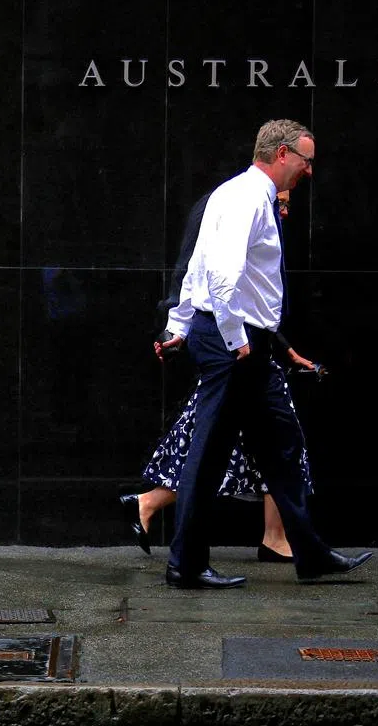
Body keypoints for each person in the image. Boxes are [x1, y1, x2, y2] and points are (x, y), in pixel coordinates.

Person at [153, 119, 372, 588]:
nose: (308, 171)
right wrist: (235, 341)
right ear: (280, 155)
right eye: (305, 160)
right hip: (234, 345)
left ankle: (308, 553)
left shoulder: (236, 195)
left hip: (243, 342)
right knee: (208, 454)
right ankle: (185, 566)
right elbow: (220, 277)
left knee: (283, 444)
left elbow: (197, 266)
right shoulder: (247, 199)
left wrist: (179, 325)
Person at [122, 191, 320, 563]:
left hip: (247, 344)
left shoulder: (258, 222)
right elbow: (199, 276)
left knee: (256, 443)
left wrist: (281, 345)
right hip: (230, 346)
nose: (286, 208)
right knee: (219, 445)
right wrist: (181, 329)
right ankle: (181, 540)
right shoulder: (232, 211)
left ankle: (279, 539)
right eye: (281, 199)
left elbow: (255, 297)